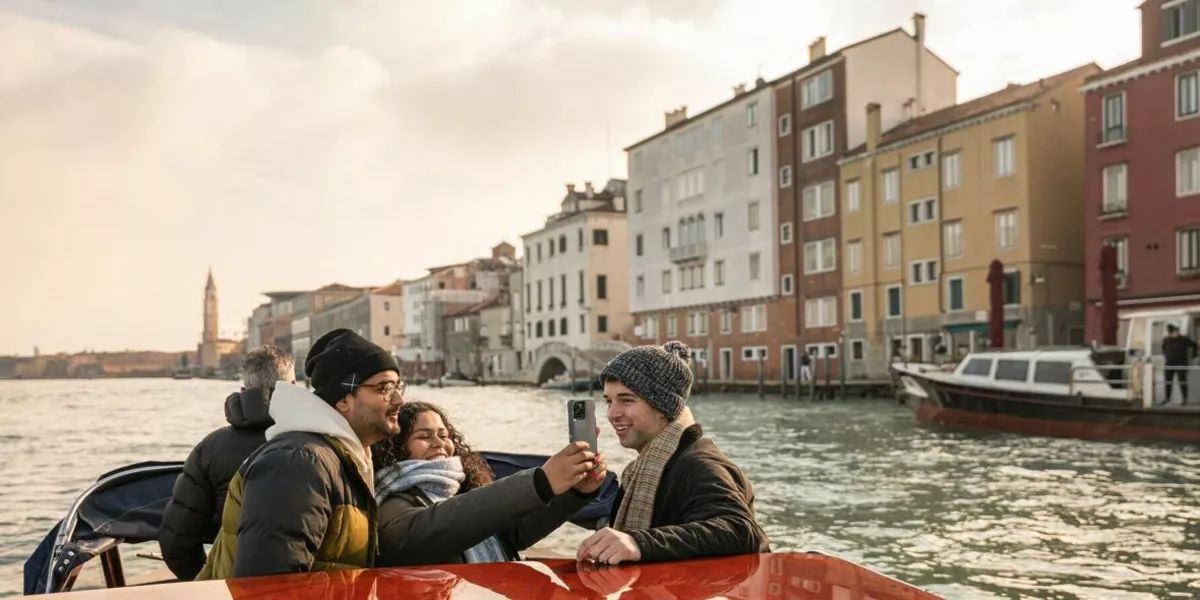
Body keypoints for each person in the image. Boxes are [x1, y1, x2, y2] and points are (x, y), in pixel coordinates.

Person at [196, 329, 405, 580]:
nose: (399, 399)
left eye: (398, 386)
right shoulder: (297, 463)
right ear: (343, 400)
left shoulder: (346, 458)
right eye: (384, 388)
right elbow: (268, 590)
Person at [576, 340, 769, 565]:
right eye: (609, 401)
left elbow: (741, 530)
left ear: (663, 407)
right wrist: (580, 493)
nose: (612, 413)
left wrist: (639, 543)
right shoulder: (645, 468)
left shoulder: (700, 465)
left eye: (626, 400)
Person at [373, 401, 606, 566]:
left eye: (444, 435)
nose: (439, 444)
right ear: (394, 448)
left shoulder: (460, 489)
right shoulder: (391, 504)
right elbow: (448, 524)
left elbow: (513, 533)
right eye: (424, 436)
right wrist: (541, 482)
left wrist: (575, 493)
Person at [159, 346, 295, 581]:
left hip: (231, 585)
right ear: (293, 388)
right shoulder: (319, 442)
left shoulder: (211, 448)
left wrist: (209, 582)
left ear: (244, 391)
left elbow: (176, 540)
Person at [1162, 324, 1198, 405]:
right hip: (1169, 363)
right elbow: (1164, 348)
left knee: (1182, 381)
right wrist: (1166, 356)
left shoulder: (1183, 339)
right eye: (1170, 333)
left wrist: (1193, 356)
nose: (1173, 334)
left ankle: (1184, 399)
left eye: (1174, 332)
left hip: (1181, 363)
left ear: (1176, 331)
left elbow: (1194, 345)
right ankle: (1167, 399)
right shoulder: (1166, 340)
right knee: (1168, 382)